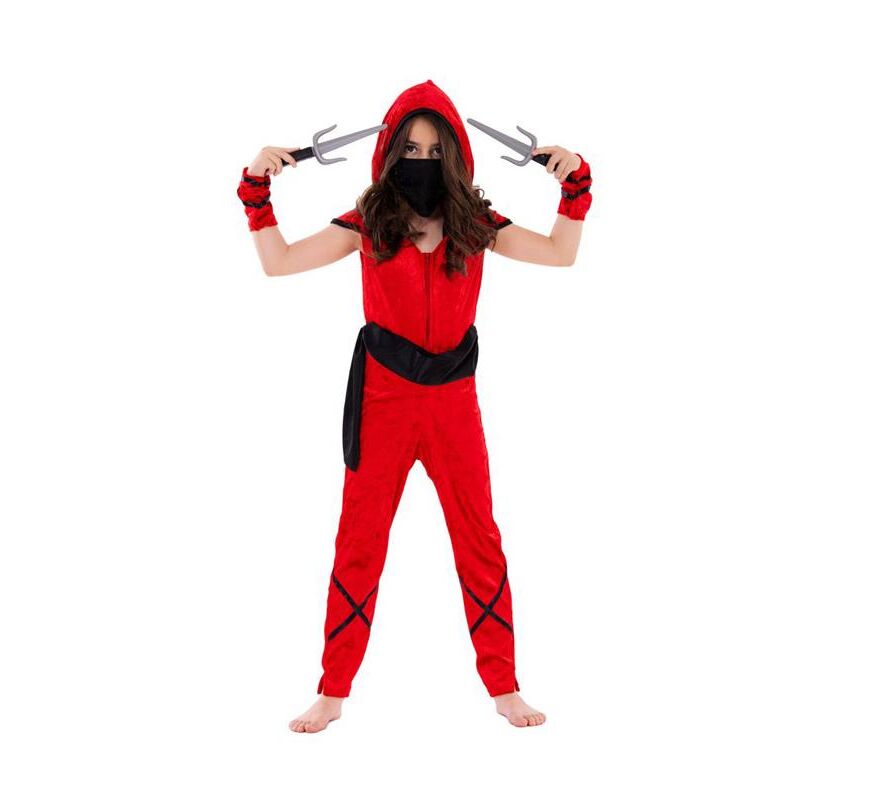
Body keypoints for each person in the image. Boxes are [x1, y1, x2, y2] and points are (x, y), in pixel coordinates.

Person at [236, 79, 592, 731]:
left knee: (478, 538)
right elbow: (278, 263)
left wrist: (574, 186)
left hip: (453, 401)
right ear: (388, 152)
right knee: (359, 540)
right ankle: (333, 691)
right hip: (384, 399)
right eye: (409, 149)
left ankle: (504, 686)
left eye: (433, 150)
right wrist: (257, 189)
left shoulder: (476, 225)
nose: (421, 161)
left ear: (454, 154)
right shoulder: (366, 223)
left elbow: (559, 253)